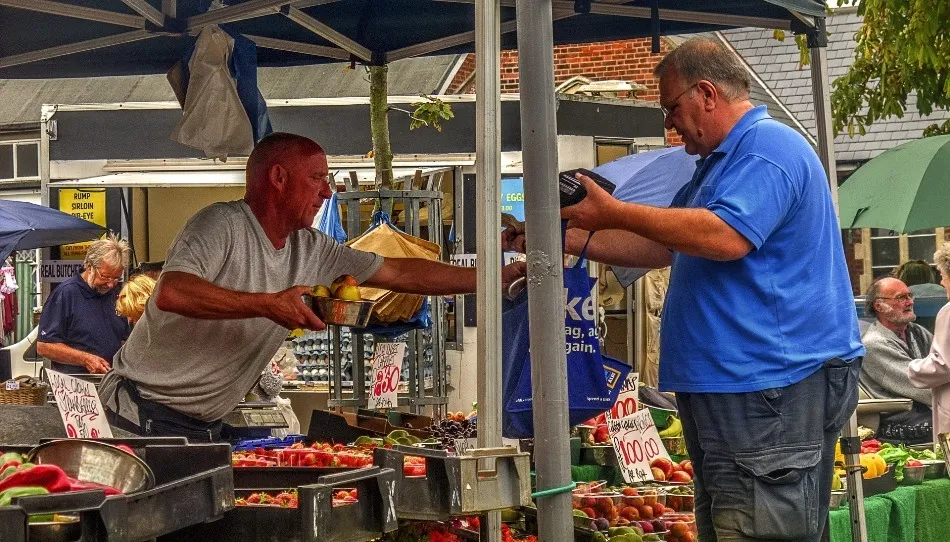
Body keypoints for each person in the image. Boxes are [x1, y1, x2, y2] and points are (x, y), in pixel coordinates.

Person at [513, 38, 864, 541]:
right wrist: (557, 236)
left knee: (760, 529)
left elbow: (725, 237)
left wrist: (612, 211)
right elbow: (661, 244)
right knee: (733, 525)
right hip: (740, 386)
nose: (669, 124)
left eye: (671, 107)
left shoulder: (768, 150)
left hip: (768, 387)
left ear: (705, 93)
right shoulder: (721, 162)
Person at [99, 132, 525, 441]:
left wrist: (490, 277)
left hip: (203, 425)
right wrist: (267, 304)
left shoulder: (313, 247)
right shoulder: (220, 224)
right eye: (317, 178)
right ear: (279, 178)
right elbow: (172, 292)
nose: (328, 190)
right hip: (141, 414)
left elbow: (398, 273)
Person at [37, 235, 132, 375]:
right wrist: (85, 359)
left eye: (116, 278)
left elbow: (124, 339)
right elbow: (44, 346)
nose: (111, 284)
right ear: (89, 267)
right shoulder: (66, 294)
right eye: (105, 277)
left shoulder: (117, 293)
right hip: (75, 385)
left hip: (111, 381)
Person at [859, 277, 934, 443]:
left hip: (925, 411)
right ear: (879, 306)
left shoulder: (917, 332)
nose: (910, 302)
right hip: (897, 420)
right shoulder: (874, 343)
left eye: (910, 296)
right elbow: (918, 384)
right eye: (901, 298)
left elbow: (943, 363)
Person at [908, 243, 950, 441]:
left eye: (943, 275)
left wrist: (913, 368)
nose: (942, 282)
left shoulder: (949, 312)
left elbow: (942, 365)